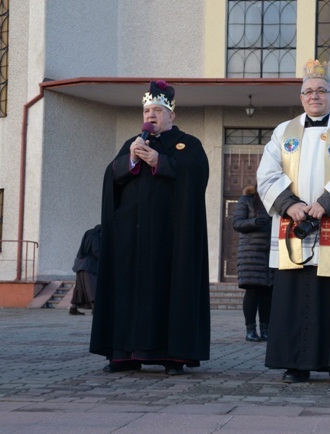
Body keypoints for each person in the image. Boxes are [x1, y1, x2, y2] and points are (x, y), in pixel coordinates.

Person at [256, 59, 330, 385]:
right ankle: (296, 364)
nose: (314, 96)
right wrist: (289, 205)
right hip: (293, 225)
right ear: (301, 96)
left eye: (321, 90)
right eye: (308, 91)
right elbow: (266, 174)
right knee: (293, 296)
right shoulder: (283, 131)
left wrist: (325, 204)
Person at [89, 80, 210, 376]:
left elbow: (196, 179)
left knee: (168, 290)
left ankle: (171, 355)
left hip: (171, 241)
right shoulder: (134, 143)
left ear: (172, 114)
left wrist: (162, 162)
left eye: (157, 110)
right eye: (147, 110)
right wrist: (130, 158)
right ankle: (124, 354)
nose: (151, 116)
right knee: (126, 290)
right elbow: (112, 177)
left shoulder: (188, 145)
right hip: (130, 240)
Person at [233, 184, 273, 342]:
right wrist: (255, 222)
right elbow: (237, 223)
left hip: (270, 252)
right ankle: (250, 330)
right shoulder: (247, 200)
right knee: (253, 290)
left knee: (268, 292)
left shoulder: (275, 201)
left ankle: (265, 329)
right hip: (251, 253)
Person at [69, 225, 101, 315]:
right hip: (89, 266)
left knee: (80, 287)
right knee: (91, 286)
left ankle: (73, 308)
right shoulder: (95, 236)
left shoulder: (88, 235)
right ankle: (95, 309)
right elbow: (96, 251)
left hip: (79, 264)